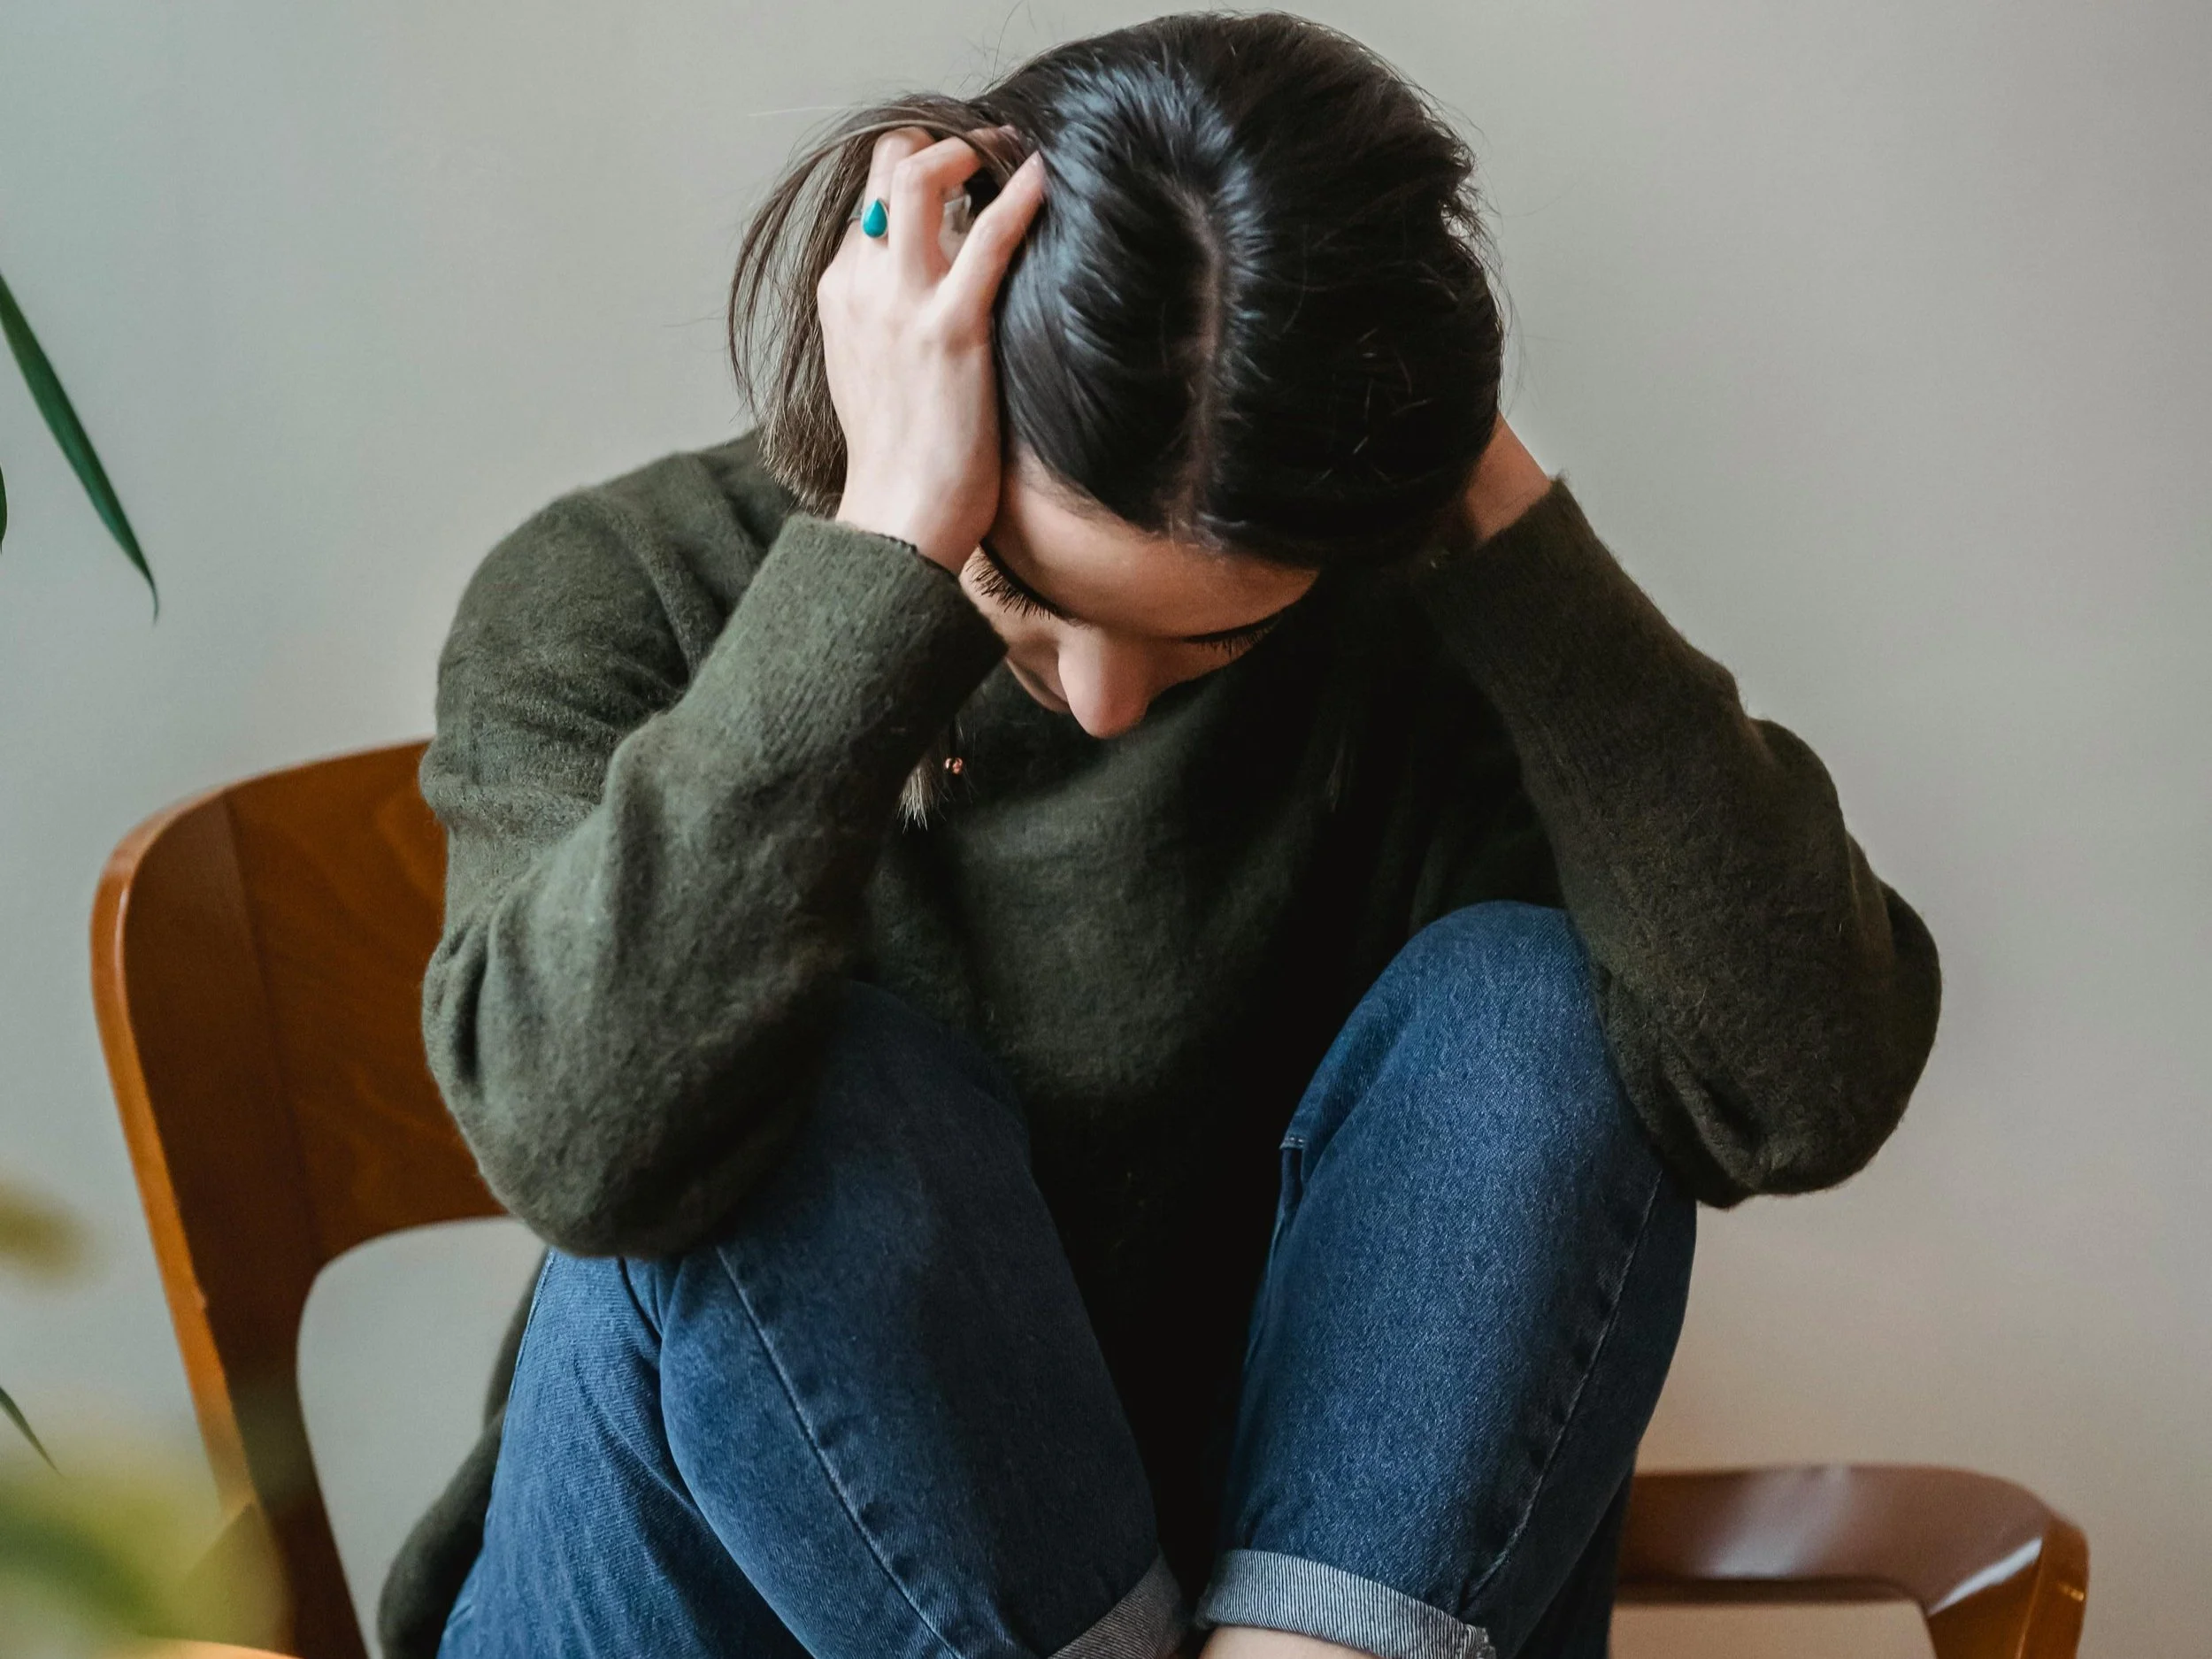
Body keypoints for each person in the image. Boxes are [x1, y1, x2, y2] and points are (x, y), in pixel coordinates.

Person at [382, 13, 1941, 1659]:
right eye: (1027, 596)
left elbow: (1800, 1085)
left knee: (1538, 1008)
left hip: (1260, 1606)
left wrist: (1477, 486)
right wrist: (884, 561)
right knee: (783, 1091)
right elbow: (581, 1137)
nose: (1111, 701)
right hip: (695, 1607)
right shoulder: (618, 595)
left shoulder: (1392, 639)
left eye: (1212, 640)